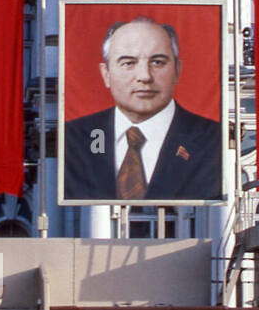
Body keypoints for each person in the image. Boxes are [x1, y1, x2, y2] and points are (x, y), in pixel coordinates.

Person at [64, 16, 222, 201]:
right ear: (106, 74)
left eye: (157, 62)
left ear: (177, 70)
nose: (144, 76)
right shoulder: (74, 137)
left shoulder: (213, 139)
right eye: (128, 63)